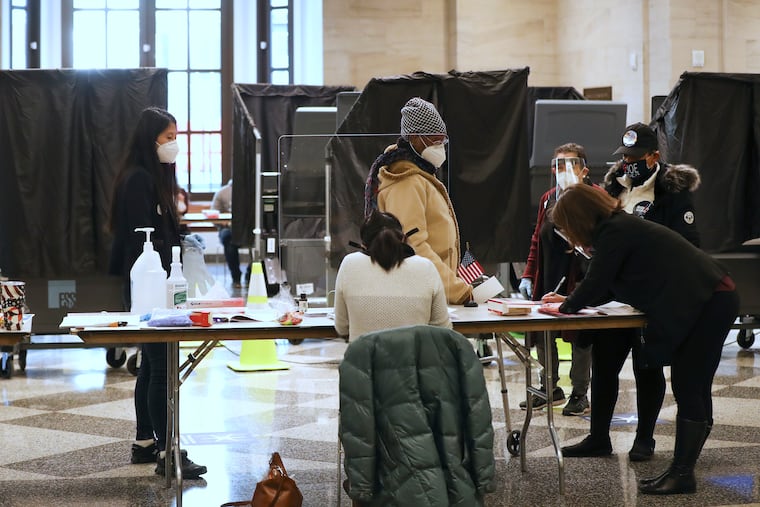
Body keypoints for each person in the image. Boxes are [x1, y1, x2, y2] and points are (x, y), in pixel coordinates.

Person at [544, 183, 738, 495]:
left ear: (579, 219)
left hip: (710, 297)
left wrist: (565, 306)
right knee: (693, 384)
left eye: (566, 227)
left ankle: (682, 473)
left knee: (690, 383)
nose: (567, 234)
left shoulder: (615, 231)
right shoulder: (617, 229)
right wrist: (566, 300)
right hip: (711, 294)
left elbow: (595, 283)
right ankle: (680, 469)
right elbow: (607, 285)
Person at [561, 122, 702, 462]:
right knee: (604, 366)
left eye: (635, 157)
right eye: (624, 156)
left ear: (654, 156)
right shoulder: (612, 186)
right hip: (612, 296)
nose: (628, 162)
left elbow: (689, 243)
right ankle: (598, 437)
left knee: (647, 368)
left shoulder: (672, 189)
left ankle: (645, 439)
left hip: (650, 297)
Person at [108, 107, 207, 479]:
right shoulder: (138, 180)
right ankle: (168, 451)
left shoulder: (155, 177)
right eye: (168, 138)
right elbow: (141, 240)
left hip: (159, 280)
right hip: (149, 285)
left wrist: (182, 242)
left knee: (151, 365)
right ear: (151, 140)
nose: (174, 145)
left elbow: (160, 230)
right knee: (163, 367)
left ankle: (145, 442)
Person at [364, 97, 473, 305]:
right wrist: (458, 290)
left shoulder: (419, 176)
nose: (441, 146)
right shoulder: (405, 182)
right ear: (414, 137)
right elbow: (415, 246)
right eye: (435, 140)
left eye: (443, 141)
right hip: (419, 297)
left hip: (429, 292)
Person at [518, 143, 593, 415]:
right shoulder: (548, 198)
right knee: (543, 335)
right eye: (560, 165)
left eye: (571, 164)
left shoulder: (594, 197)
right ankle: (549, 388)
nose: (565, 170)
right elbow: (537, 240)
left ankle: (580, 393)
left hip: (580, 276)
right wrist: (528, 275)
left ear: (584, 170)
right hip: (548, 275)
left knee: (579, 337)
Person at [334, 210, 451, 342]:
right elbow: (443, 329)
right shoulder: (426, 268)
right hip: (414, 361)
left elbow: (341, 327)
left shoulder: (350, 264)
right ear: (403, 239)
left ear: (364, 245)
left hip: (363, 361)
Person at [212, 179, 242, 288]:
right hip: (228, 229)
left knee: (261, 239)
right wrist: (222, 222)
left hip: (246, 229)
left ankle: (250, 273)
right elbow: (214, 214)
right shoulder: (222, 193)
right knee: (228, 238)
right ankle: (236, 276)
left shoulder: (251, 192)